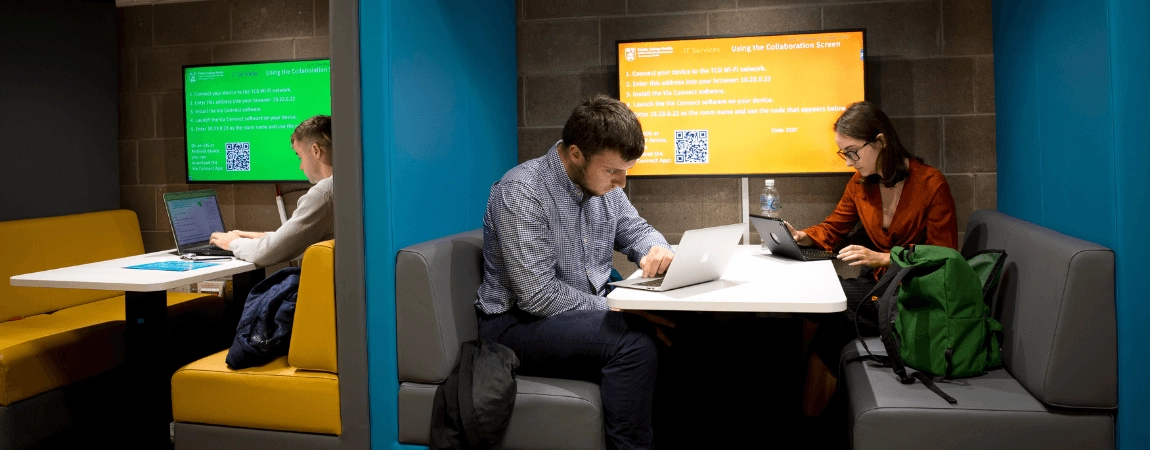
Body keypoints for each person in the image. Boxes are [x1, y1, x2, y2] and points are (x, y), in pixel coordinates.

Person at [475, 95, 673, 450]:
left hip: (581, 309)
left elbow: (639, 232)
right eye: (613, 171)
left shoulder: (606, 189)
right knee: (634, 343)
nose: (621, 182)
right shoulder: (521, 192)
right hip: (516, 323)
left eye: (626, 171)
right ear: (576, 154)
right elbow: (538, 295)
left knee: (684, 325)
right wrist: (622, 307)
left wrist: (659, 251)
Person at [788, 101, 958, 415]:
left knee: (827, 311)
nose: (849, 162)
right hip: (880, 288)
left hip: (915, 296)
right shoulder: (860, 184)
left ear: (880, 142)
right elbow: (834, 226)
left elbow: (945, 259)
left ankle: (812, 419)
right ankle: (816, 419)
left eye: (852, 152)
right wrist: (803, 236)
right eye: (843, 153)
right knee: (826, 322)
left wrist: (883, 258)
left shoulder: (931, 184)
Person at [209, 115, 335, 267]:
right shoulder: (350, 186)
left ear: (315, 150)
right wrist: (262, 237)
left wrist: (232, 242)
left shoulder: (324, 194)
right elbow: (298, 238)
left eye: (299, 157)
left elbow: (265, 254)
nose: (301, 166)